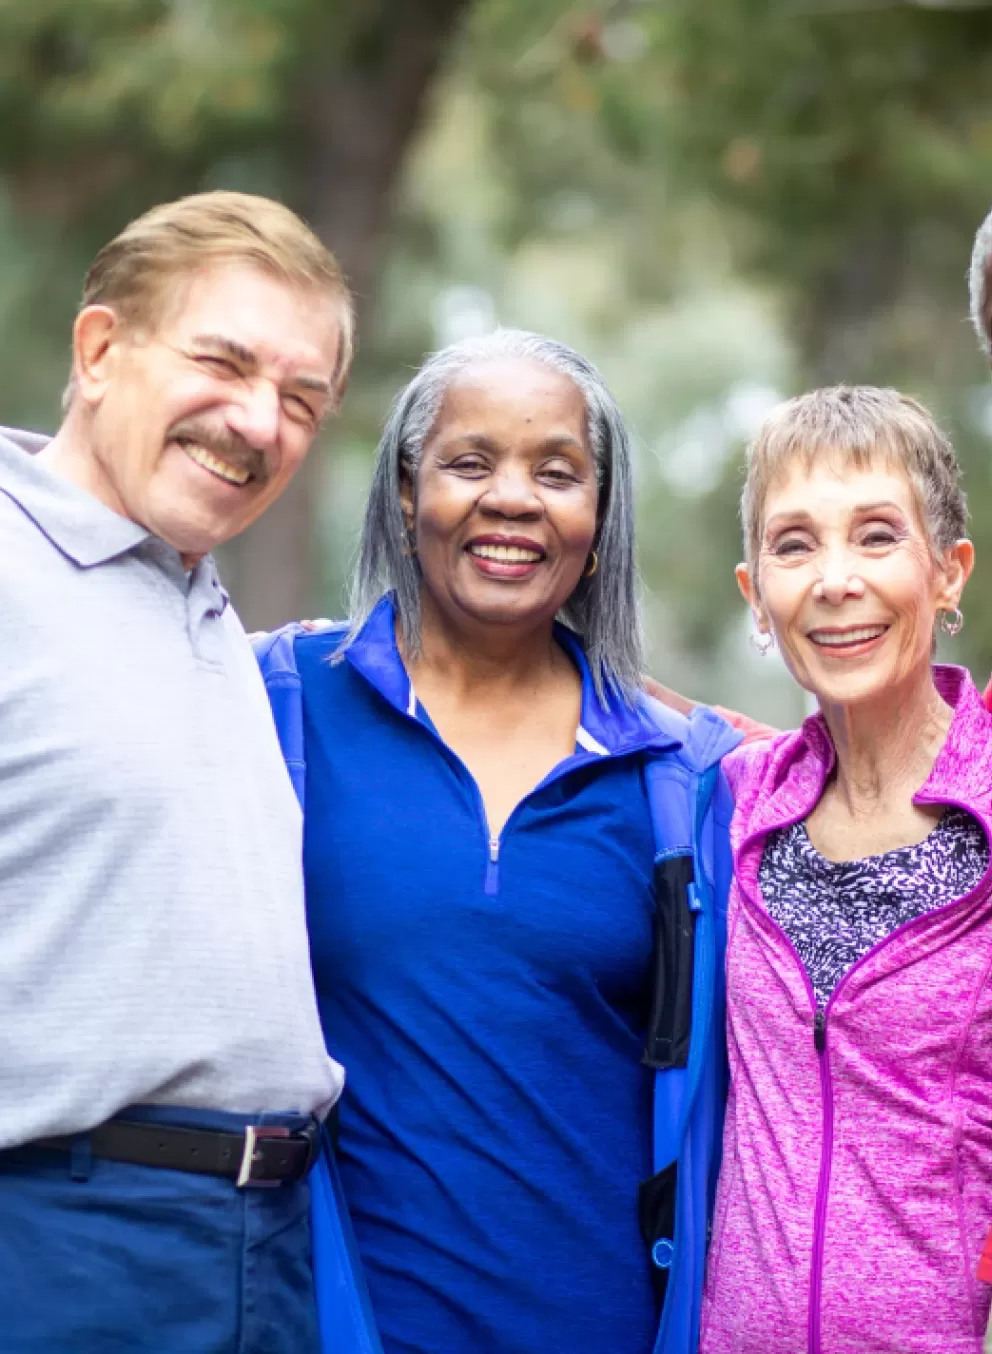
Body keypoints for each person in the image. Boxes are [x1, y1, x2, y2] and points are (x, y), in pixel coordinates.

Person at [254, 329, 740, 1354]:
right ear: (402, 491)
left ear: (599, 520)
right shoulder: (280, 707)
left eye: (556, 471)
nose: (512, 498)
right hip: (335, 1325)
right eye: (469, 462)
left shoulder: (681, 780)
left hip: (601, 1325)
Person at [0, 191, 354, 1353]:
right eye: (223, 362)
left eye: (300, 399)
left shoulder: (200, 607)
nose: (258, 422)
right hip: (63, 1242)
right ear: (100, 350)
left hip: (267, 1248)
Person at [693, 385, 992, 1354]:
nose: (832, 579)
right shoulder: (731, 804)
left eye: (874, 536)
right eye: (792, 544)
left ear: (947, 574)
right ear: (754, 595)